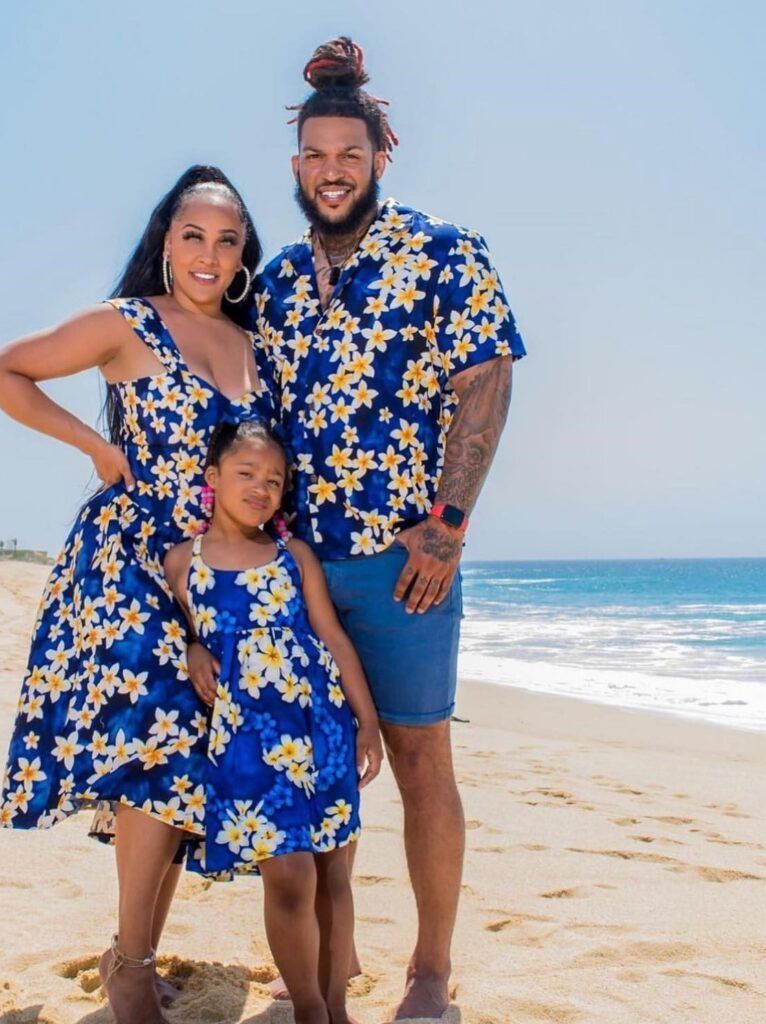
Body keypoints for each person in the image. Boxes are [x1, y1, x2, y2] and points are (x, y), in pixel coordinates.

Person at [249, 37, 526, 1020]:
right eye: (317, 157)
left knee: (418, 762)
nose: (333, 172)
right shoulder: (274, 281)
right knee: (318, 765)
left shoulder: (443, 250)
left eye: (350, 157)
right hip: (301, 568)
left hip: (404, 565)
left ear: (380, 159)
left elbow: (486, 381)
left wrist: (448, 526)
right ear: (297, 167)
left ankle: (432, 971)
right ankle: (331, 952)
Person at [0, 165, 277, 1024]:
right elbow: (3, 372)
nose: (210, 254)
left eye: (227, 239)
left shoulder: (257, 347)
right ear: (165, 240)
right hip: (129, 563)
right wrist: (93, 448)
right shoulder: (126, 324)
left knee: (188, 763)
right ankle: (135, 970)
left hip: (218, 572)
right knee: (162, 739)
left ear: (243, 252)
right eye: (193, 235)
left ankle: (128, 949)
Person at [164, 418, 383, 1024]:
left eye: (274, 480)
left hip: (320, 729)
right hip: (247, 744)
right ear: (213, 478)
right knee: (286, 876)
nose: (260, 488)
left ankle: (336, 1008)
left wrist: (366, 722)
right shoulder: (183, 561)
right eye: (246, 474)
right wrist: (190, 647)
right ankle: (310, 1009)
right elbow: (169, 630)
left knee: (334, 873)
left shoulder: (294, 556)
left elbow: (334, 639)